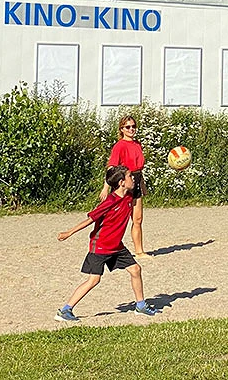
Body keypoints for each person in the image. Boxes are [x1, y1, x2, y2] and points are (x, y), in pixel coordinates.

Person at [55, 165, 158, 322]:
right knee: (94, 280)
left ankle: (141, 306)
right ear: (122, 182)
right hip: (101, 246)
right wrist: (69, 232)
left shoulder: (129, 196)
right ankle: (65, 310)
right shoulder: (110, 201)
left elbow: (142, 189)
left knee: (136, 269)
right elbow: (90, 219)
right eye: (130, 176)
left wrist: (140, 179)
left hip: (117, 246)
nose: (133, 179)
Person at [101, 116, 151, 258]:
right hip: (124, 182)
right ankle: (108, 248)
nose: (131, 129)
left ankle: (139, 251)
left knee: (138, 219)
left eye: (133, 126)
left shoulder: (137, 144)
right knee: (117, 219)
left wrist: (141, 183)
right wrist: (106, 187)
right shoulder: (119, 146)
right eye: (127, 127)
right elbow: (112, 168)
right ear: (121, 129)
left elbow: (139, 167)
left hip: (137, 180)